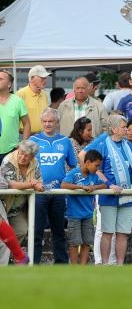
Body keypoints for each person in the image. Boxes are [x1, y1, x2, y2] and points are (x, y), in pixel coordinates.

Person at [85, 114, 132, 265]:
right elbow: (97, 170)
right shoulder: (102, 145)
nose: (127, 130)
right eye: (124, 127)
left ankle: (120, 264)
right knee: (107, 232)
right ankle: (104, 264)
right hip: (109, 196)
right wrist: (109, 184)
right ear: (114, 129)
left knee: (123, 233)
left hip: (127, 196)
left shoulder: (129, 145)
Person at [30, 108, 77, 264]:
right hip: (39, 193)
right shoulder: (33, 140)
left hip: (58, 192)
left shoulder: (65, 141)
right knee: (36, 231)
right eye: (44, 121)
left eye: (51, 121)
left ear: (57, 122)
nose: (47, 124)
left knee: (59, 232)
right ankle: (34, 263)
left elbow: (73, 166)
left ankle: (61, 265)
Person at [0, 140, 43, 265]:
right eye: (21, 153)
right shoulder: (8, 160)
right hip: (4, 203)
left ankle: (14, 259)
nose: (23, 157)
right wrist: (31, 184)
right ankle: (15, 259)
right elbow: (10, 184)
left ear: (33, 157)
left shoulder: (35, 163)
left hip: (18, 207)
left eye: (27, 155)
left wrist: (37, 185)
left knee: (21, 230)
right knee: (3, 237)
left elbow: (39, 181)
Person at [61, 149, 107, 264]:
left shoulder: (94, 176)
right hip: (74, 215)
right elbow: (64, 184)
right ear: (87, 163)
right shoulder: (74, 173)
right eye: (96, 165)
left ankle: (82, 268)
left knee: (87, 242)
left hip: (88, 214)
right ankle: (74, 269)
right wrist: (80, 188)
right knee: (75, 242)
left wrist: (94, 188)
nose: (97, 169)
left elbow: (104, 185)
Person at [0, 69, 30, 164]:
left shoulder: (18, 101)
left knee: (10, 178)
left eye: (0, 79)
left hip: (11, 151)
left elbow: (27, 124)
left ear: (9, 84)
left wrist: (23, 144)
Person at [16, 65, 50, 135]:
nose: (45, 81)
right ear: (31, 78)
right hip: (24, 135)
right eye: (42, 78)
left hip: (42, 135)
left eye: (45, 78)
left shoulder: (45, 94)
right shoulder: (20, 94)